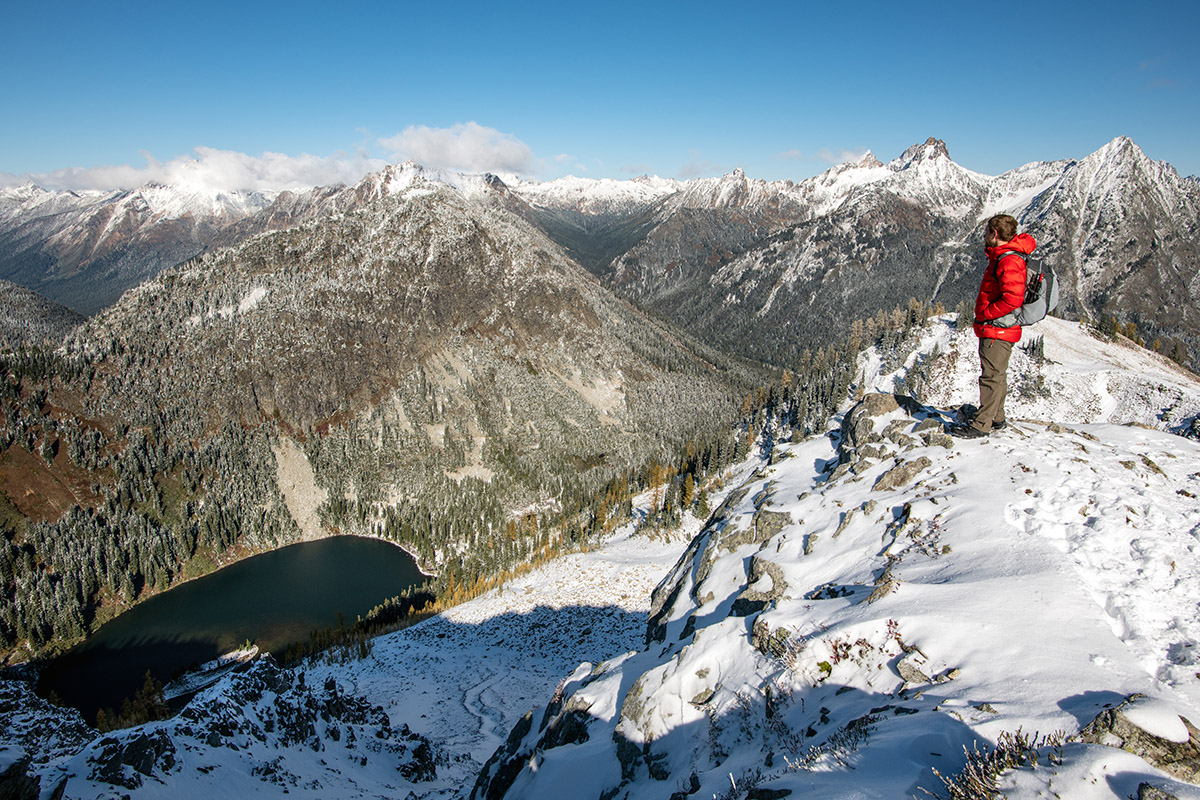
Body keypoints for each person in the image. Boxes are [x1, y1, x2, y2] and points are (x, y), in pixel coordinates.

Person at [954, 214, 1036, 439]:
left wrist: (987, 314)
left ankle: (981, 425)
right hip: (999, 327)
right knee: (996, 375)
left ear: (995, 234)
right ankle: (997, 418)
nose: (983, 236)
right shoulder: (1006, 256)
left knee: (990, 377)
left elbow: (1013, 298)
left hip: (997, 327)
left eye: (986, 232)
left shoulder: (1009, 260)